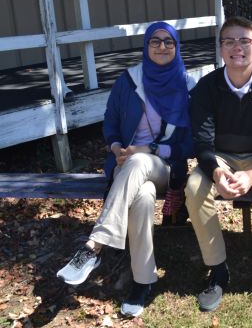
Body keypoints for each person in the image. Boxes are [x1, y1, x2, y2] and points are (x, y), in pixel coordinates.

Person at [56, 21, 195, 317]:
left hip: (165, 167)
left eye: (168, 41)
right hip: (127, 170)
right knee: (142, 198)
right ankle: (143, 282)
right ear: (146, 47)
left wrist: (150, 149)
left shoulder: (187, 85)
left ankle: (93, 247)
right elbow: (110, 122)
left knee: (139, 161)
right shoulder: (129, 80)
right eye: (154, 41)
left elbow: (191, 144)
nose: (161, 47)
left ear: (176, 46)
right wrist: (117, 147)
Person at [185, 16, 252, 314]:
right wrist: (217, 172)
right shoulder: (207, 87)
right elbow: (202, 142)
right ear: (220, 49)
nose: (237, 47)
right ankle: (218, 271)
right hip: (222, 156)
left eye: (245, 41)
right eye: (229, 41)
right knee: (194, 188)